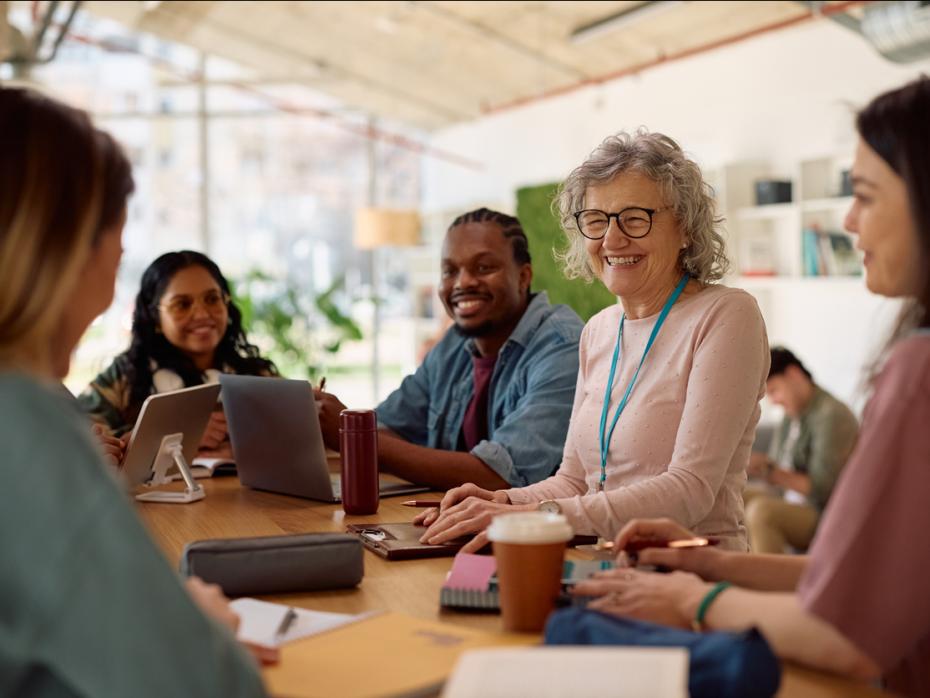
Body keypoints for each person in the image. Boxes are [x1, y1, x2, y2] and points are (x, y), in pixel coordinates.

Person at [572, 77, 930, 697]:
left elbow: (846, 633)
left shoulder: (915, 371)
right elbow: (870, 580)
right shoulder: (599, 329)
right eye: (597, 220)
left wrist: (699, 596)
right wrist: (712, 565)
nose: (847, 219)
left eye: (866, 195)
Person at [0, 87, 268, 696]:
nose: (118, 254)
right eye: (115, 235)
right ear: (67, 247)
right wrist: (202, 629)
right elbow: (203, 685)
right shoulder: (26, 425)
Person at [418, 131, 769, 553]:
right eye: (596, 220)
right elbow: (574, 481)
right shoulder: (598, 330)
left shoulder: (727, 315)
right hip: (598, 568)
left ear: (686, 228)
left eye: (635, 218)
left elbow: (689, 490)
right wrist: (498, 501)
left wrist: (529, 516)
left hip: (688, 579)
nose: (612, 239)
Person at [315, 208, 584, 491]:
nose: (463, 282)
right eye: (450, 271)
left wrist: (356, 436)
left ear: (523, 276)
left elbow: (500, 476)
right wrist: (325, 421)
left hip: (535, 532)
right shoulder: (454, 343)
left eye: (483, 267)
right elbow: (391, 426)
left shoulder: (563, 348)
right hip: (449, 521)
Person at [79, 250, 277, 460]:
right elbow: (78, 436)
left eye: (212, 299)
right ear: (154, 316)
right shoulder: (127, 375)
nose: (202, 314)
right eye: (182, 304)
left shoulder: (256, 375)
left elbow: (294, 440)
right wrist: (174, 434)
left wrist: (314, 422)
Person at [743, 346, 858, 553]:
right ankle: (726, 572)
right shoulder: (791, 414)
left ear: (794, 374)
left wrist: (771, 471)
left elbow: (823, 489)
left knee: (762, 512)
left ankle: (769, 583)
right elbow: (776, 466)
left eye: (774, 390)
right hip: (789, 499)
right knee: (733, 495)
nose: (774, 400)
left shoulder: (832, 415)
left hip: (822, 512)